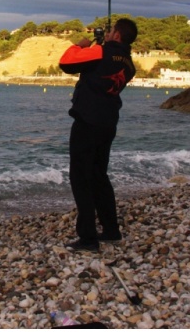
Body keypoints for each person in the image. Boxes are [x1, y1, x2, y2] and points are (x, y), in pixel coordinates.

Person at [58, 17, 137, 252]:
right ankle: (111, 230)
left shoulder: (99, 52)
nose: (109, 33)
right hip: (108, 123)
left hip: (87, 122)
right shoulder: (130, 65)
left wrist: (81, 45)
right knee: (99, 176)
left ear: (117, 36)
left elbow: (66, 63)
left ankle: (88, 238)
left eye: (111, 30)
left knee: (80, 178)